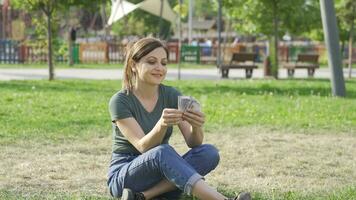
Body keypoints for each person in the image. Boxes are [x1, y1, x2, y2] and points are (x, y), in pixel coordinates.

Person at [107, 37, 251, 200]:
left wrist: (196, 126)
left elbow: (193, 143)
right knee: (163, 152)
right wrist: (161, 125)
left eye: (164, 63)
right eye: (152, 62)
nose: (159, 68)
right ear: (134, 65)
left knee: (209, 153)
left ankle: (142, 197)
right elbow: (143, 147)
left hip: (159, 168)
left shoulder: (171, 95)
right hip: (125, 174)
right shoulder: (120, 101)